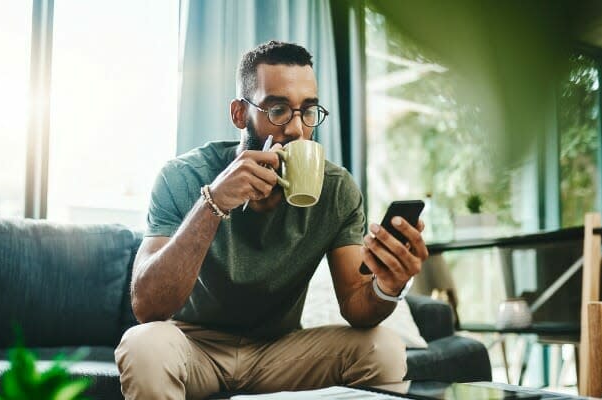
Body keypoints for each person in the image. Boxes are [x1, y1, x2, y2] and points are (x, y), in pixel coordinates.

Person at [114, 40, 428, 400]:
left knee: (382, 347)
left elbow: (358, 309)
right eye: (277, 109)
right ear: (239, 114)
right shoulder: (181, 177)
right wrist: (213, 203)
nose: (296, 130)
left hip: (281, 353)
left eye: (308, 111)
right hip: (194, 347)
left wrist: (388, 286)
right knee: (143, 345)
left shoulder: (336, 190)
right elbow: (148, 307)